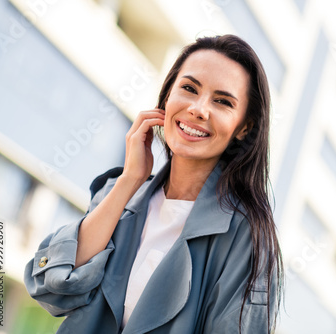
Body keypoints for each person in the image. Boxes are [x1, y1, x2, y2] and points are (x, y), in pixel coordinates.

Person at [24, 34, 283, 334]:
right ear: (167, 98)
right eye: (188, 88)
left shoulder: (247, 238)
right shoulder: (117, 194)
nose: (199, 109)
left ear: (243, 127)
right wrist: (129, 181)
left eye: (222, 101)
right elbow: (52, 289)